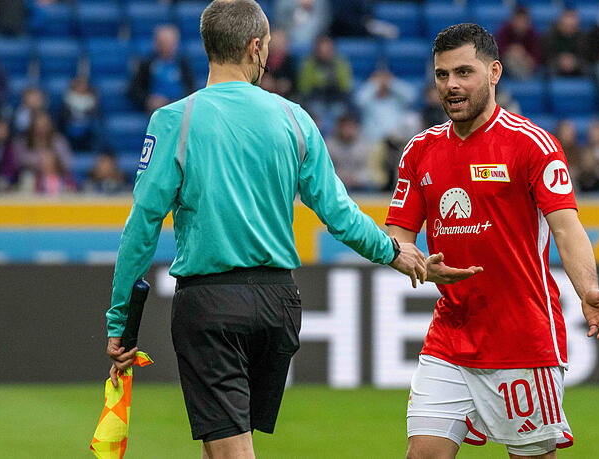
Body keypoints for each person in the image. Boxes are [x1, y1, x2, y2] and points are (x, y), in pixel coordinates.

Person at [103, 2, 427, 459]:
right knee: (227, 443)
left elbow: (142, 226)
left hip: (211, 303)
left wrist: (122, 322)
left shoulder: (176, 120)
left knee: (230, 449)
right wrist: (391, 251)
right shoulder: (295, 118)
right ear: (256, 47)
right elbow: (338, 212)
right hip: (279, 304)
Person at [385, 24, 599, 459]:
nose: (451, 85)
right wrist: (413, 261)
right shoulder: (420, 151)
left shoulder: (530, 144)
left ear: (494, 72)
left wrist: (587, 290)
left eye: (463, 72)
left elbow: (567, 228)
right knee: (423, 453)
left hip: (521, 334)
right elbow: (398, 234)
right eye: (441, 75)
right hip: (451, 332)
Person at [129, 25, 196, 113]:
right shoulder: (146, 64)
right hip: (155, 112)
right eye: (163, 43)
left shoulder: (182, 64)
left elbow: (191, 88)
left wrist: (180, 101)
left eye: (170, 43)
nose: (167, 47)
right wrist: (148, 100)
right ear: (156, 43)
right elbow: (134, 90)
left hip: (179, 110)